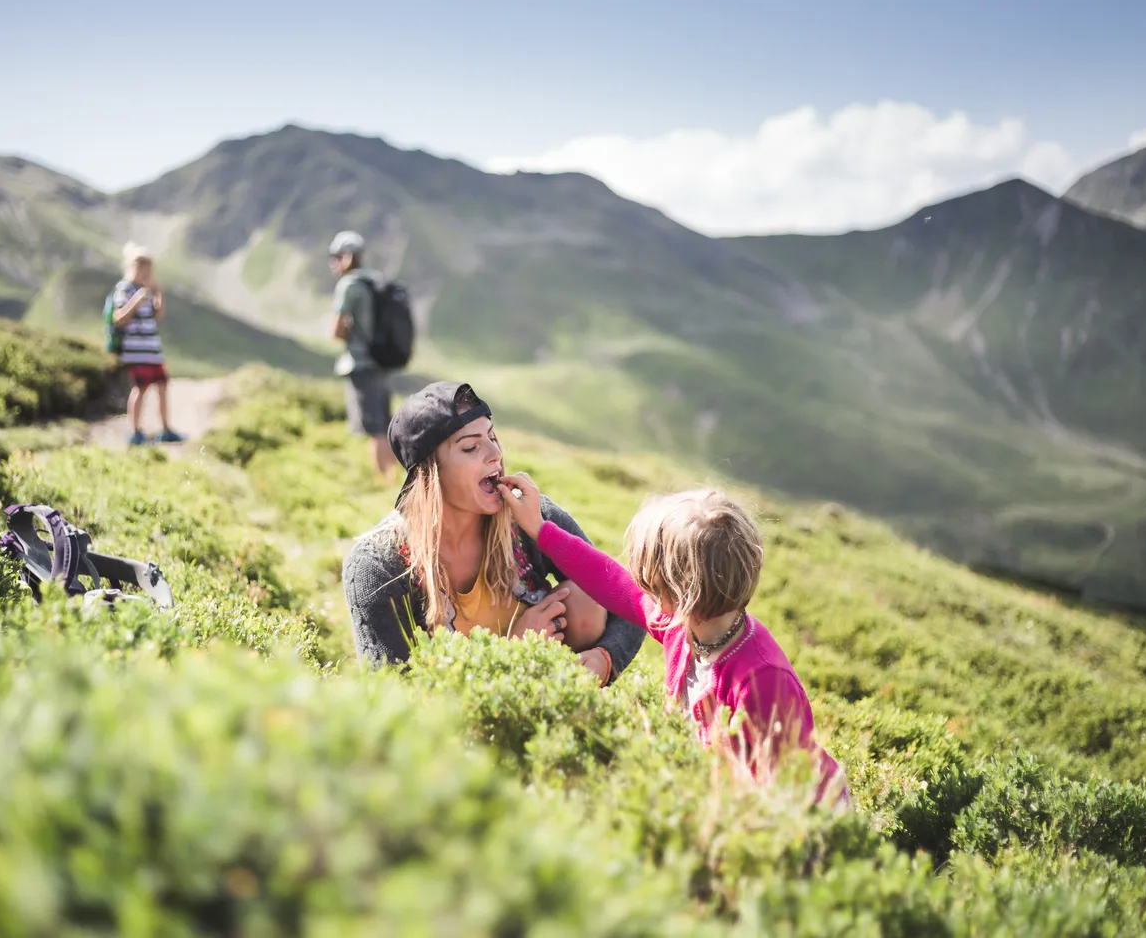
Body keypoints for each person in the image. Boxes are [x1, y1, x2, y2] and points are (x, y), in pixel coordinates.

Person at [499, 474, 850, 806]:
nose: (640, 585)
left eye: (648, 577)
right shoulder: (682, 624)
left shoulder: (763, 680)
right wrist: (540, 530)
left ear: (674, 592)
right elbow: (609, 580)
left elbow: (785, 792)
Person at [342, 380, 647, 686]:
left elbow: (630, 599)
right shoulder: (377, 565)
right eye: (471, 447)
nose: (495, 454)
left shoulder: (529, 517)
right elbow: (397, 694)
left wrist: (606, 658)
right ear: (429, 473)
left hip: (544, 698)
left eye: (492, 437)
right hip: (455, 721)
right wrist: (510, 651)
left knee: (585, 601)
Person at [329, 230, 397, 479]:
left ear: (346, 257)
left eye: (335, 257)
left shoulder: (348, 286)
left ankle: (382, 480)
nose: (333, 264)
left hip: (360, 363)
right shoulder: (374, 281)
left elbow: (337, 330)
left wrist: (348, 331)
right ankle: (394, 477)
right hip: (382, 361)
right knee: (386, 423)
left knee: (373, 427)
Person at [112, 242, 184, 446]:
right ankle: (135, 432)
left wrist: (157, 293)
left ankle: (166, 428)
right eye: (146, 268)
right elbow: (118, 317)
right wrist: (136, 300)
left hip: (152, 349)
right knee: (140, 389)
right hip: (136, 351)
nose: (149, 273)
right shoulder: (124, 288)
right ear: (137, 266)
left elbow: (158, 315)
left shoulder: (147, 289)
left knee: (162, 385)